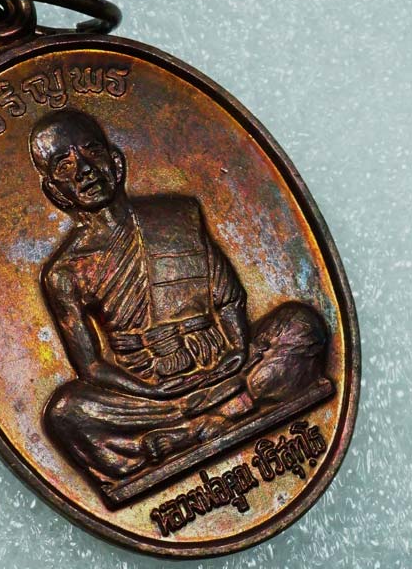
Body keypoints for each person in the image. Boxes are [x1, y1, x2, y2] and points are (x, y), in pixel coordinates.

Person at [29, 109, 328, 484]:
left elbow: (228, 298)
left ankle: (200, 427)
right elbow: (91, 367)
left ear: (116, 163)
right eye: (64, 164)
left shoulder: (176, 216)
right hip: (153, 395)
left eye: (92, 150)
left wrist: (238, 347)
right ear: (55, 191)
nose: (84, 169)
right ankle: (214, 418)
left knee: (302, 324)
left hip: (226, 364)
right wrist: (153, 391)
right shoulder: (64, 273)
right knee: (64, 413)